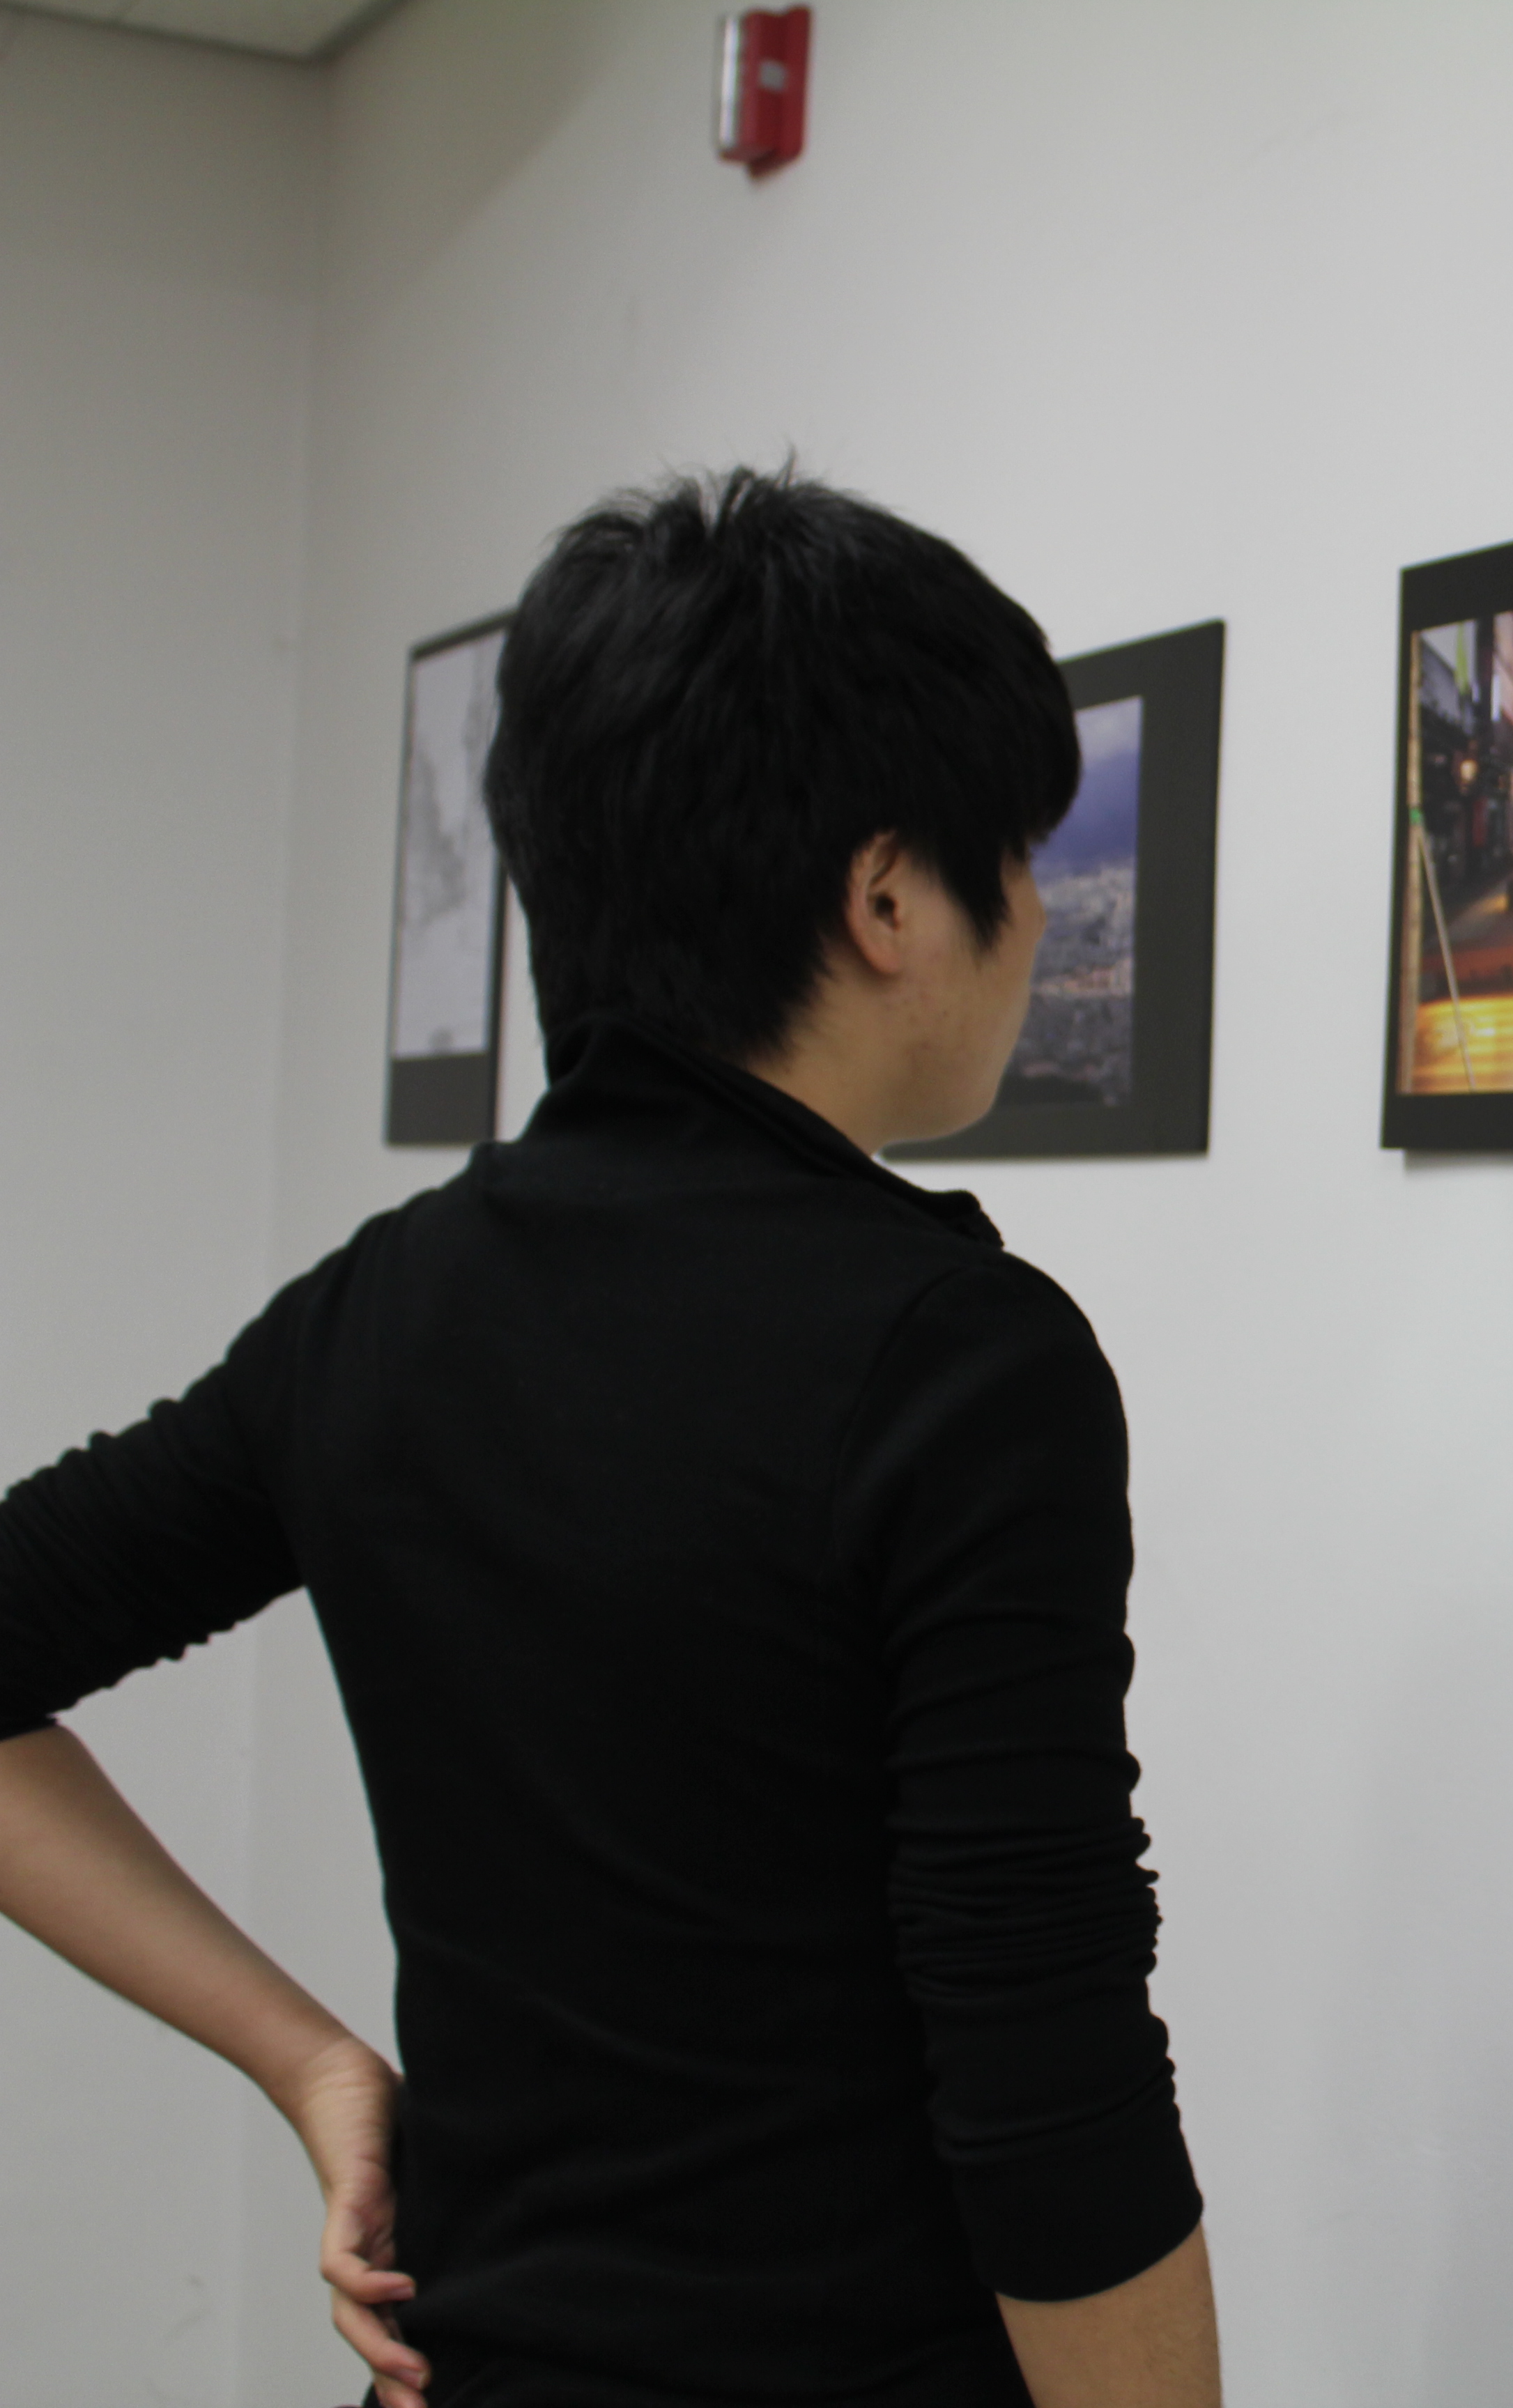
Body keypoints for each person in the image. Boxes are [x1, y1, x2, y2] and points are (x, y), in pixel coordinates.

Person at [0, 469, 1218, 2408]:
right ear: (887, 899)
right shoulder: (957, 1363)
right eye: (1019, 855)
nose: (1043, 913)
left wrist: (312, 2064)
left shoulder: (374, 1317)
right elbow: (1047, 2074)